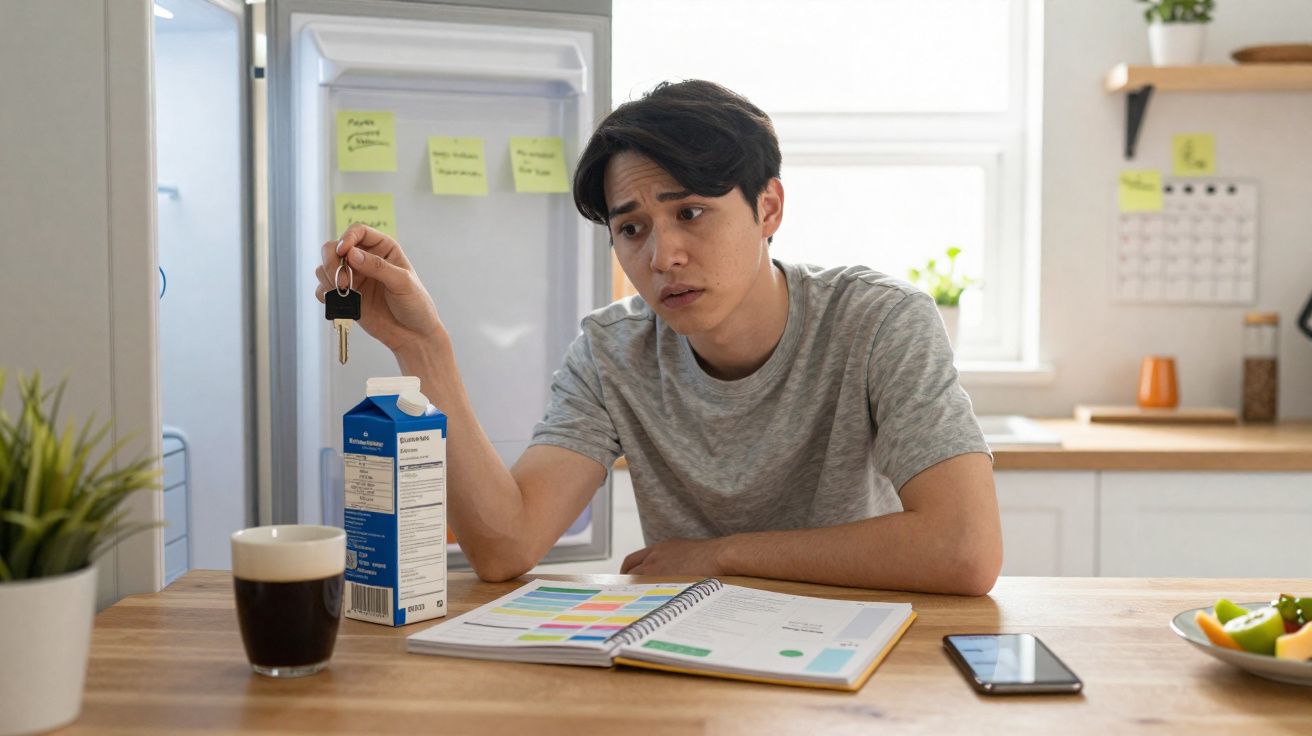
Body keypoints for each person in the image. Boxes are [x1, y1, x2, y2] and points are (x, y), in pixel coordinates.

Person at [316, 80, 1002, 595]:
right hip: (690, 660)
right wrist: (423, 348)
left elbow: (965, 549)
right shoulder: (613, 350)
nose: (662, 255)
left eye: (692, 212)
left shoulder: (881, 322)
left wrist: (722, 553)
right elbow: (504, 547)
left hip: (857, 658)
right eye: (633, 228)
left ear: (769, 208)